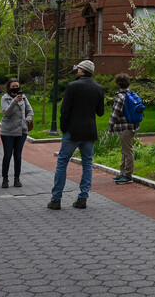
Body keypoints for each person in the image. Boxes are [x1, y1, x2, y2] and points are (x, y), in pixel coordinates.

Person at [47, 60, 104, 210]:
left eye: (78, 69)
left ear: (82, 71)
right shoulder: (99, 88)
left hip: (73, 130)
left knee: (62, 162)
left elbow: (64, 110)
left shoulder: (72, 86)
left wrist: (64, 128)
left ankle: (56, 199)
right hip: (89, 130)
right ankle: (83, 197)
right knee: (87, 164)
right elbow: (100, 112)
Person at [0, 78, 33, 188]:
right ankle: (5, 179)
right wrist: (14, 101)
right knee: (7, 155)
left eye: (17, 86)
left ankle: (17, 179)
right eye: (13, 86)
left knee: (18, 156)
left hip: (21, 131)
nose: (15, 88)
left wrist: (27, 120)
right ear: (8, 87)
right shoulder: (5, 98)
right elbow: (6, 114)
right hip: (8, 132)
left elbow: (30, 111)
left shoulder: (24, 98)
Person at [108, 73, 140, 184]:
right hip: (132, 125)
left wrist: (110, 127)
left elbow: (115, 114)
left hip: (124, 127)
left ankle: (128, 175)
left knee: (127, 151)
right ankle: (122, 173)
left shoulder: (120, 97)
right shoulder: (131, 94)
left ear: (117, 83)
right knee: (125, 150)